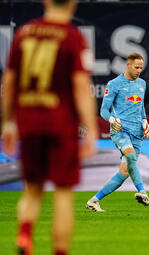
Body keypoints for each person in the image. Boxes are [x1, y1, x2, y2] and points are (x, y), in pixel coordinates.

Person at [1, 0, 98, 254]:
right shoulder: (72, 37)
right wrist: (91, 128)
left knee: (32, 190)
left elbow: (9, 82)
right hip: (60, 125)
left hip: (29, 124)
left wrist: (8, 123)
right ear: (73, 4)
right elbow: (80, 87)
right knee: (63, 194)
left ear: (45, 1)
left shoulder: (24, 33)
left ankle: (24, 235)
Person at [86, 53, 149, 212]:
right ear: (128, 65)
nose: (139, 71)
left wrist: (145, 122)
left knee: (124, 172)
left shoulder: (142, 83)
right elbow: (103, 110)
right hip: (120, 131)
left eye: (141, 68)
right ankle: (142, 191)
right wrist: (112, 121)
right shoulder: (114, 84)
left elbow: (141, 108)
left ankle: (94, 201)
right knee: (130, 156)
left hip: (137, 134)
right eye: (136, 67)